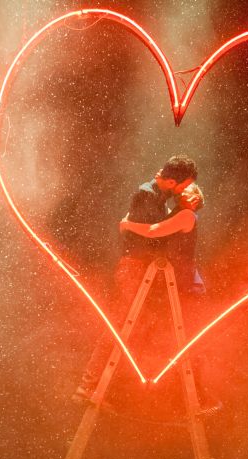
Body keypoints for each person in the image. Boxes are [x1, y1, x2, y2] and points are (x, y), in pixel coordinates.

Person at [75, 155, 215, 410]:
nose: (185, 191)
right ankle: (91, 386)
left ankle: (110, 388)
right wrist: (128, 225)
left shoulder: (165, 202)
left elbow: (155, 230)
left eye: (190, 190)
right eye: (185, 187)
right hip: (135, 270)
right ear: (172, 182)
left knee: (142, 329)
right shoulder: (149, 196)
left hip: (147, 272)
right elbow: (152, 233)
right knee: (122, 327)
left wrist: (129, 224)